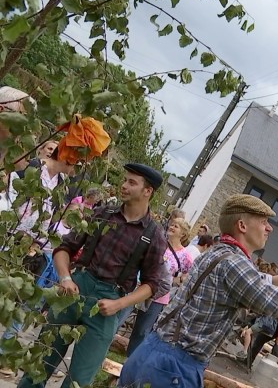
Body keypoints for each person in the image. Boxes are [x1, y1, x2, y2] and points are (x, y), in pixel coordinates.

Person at [118, 194, 278, 388]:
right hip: (174, 367)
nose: (269, 228)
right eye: (264, 222)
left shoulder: (221, 252)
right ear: (242, 225)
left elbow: (270, 283)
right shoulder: (234, 264)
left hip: (153, 351)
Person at [17, 163, 170, 388]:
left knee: (79, 381)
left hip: (108, 304)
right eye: (124, 180)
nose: (124, 185)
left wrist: (119, 304)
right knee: (38, 364)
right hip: (76, 287)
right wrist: (65, 278)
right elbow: (64, 248)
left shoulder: (154, 235)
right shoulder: (101, 214)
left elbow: (152, 284)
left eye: (132, 182)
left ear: (148, 191)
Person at [125, 217, 193, 356]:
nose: (172, 227)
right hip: (139, 287)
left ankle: (131, 358)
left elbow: (189, 275)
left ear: (183, 234)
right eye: (171, 224)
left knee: (142, 330)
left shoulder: (185, 255)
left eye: (176, 226)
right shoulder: (159, 243)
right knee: (120, 317)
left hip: (158, 296)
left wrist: (175, 280)